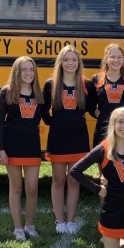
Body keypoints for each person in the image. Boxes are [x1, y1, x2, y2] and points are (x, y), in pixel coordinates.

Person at [70, 107, 124, 248]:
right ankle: (108, 237)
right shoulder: (103, 148)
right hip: (112, 211)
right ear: (113, 124)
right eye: (120, 122)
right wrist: (98, 189)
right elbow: (75, 171)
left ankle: (121, 240)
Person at [42, 45, 92, 235]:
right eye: (66, 60)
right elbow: (43, 109)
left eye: (74, 60)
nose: (70, 63)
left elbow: (93, 105)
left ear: (78, 62)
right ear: (60, 62)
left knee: (74, 180)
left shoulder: (85, 84)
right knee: (58, 179)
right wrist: (54, 123)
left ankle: (71, 220)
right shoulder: (51, 83)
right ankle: (59, 220)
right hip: (58, 138)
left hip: (79, 138)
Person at [0, 56, 45, 241]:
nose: (28, 73)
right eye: (24, 69)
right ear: (17, 72)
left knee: (32, 188)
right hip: (12, 146)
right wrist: (1, 148)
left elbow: (47, 117)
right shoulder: (7, 92)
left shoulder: (39, 94)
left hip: (32, 146)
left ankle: (30, 225)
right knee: (16, 187)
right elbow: (0, 122)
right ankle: (18, 228)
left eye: (31, 69)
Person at [89, 43, 124, 146]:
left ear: (123, 60)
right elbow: (90, 103)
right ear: (106, 59)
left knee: (123, 159)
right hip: (103, 127)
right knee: (104, 160)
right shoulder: (97, 79)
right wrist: (94, 112)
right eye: (112, 57)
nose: (116, 60)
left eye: (119, 57)